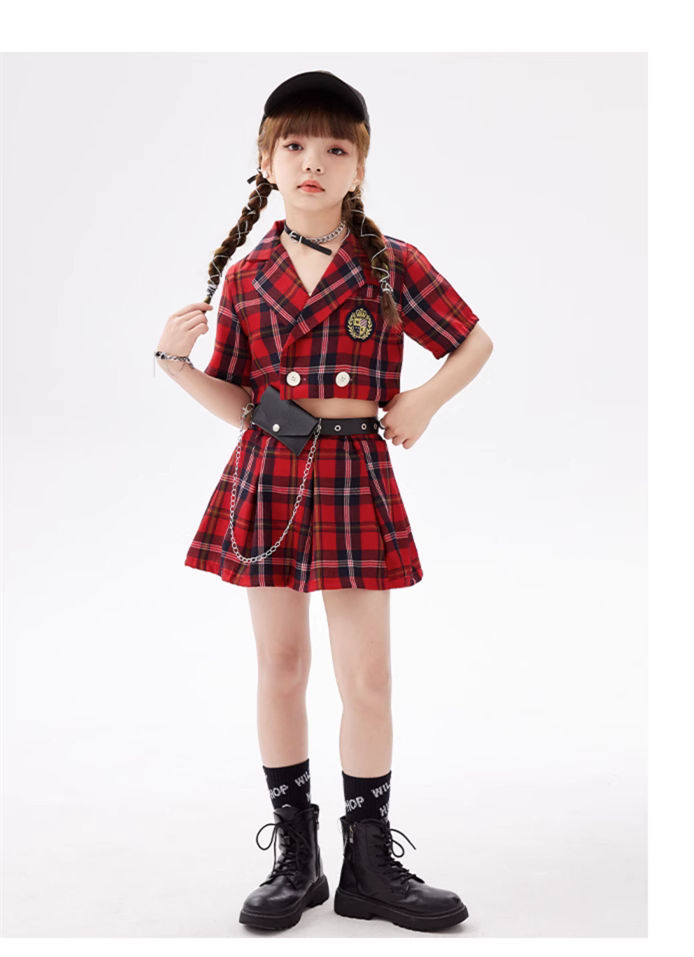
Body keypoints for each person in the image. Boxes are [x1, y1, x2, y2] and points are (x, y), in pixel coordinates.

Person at [154, 70, 493, 933]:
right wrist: (176, 364)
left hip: (352, 470)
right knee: (281, 665)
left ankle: (369, 863)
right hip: (269, 473)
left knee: (368, 674)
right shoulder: (249, 274)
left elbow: (473, 341)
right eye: (294, 145)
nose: (313, 161)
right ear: (267, 161)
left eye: (335, 147)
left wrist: (422, 401)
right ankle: (296, 856)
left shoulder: (390, 262)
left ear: (359, 167)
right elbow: (241, 400)